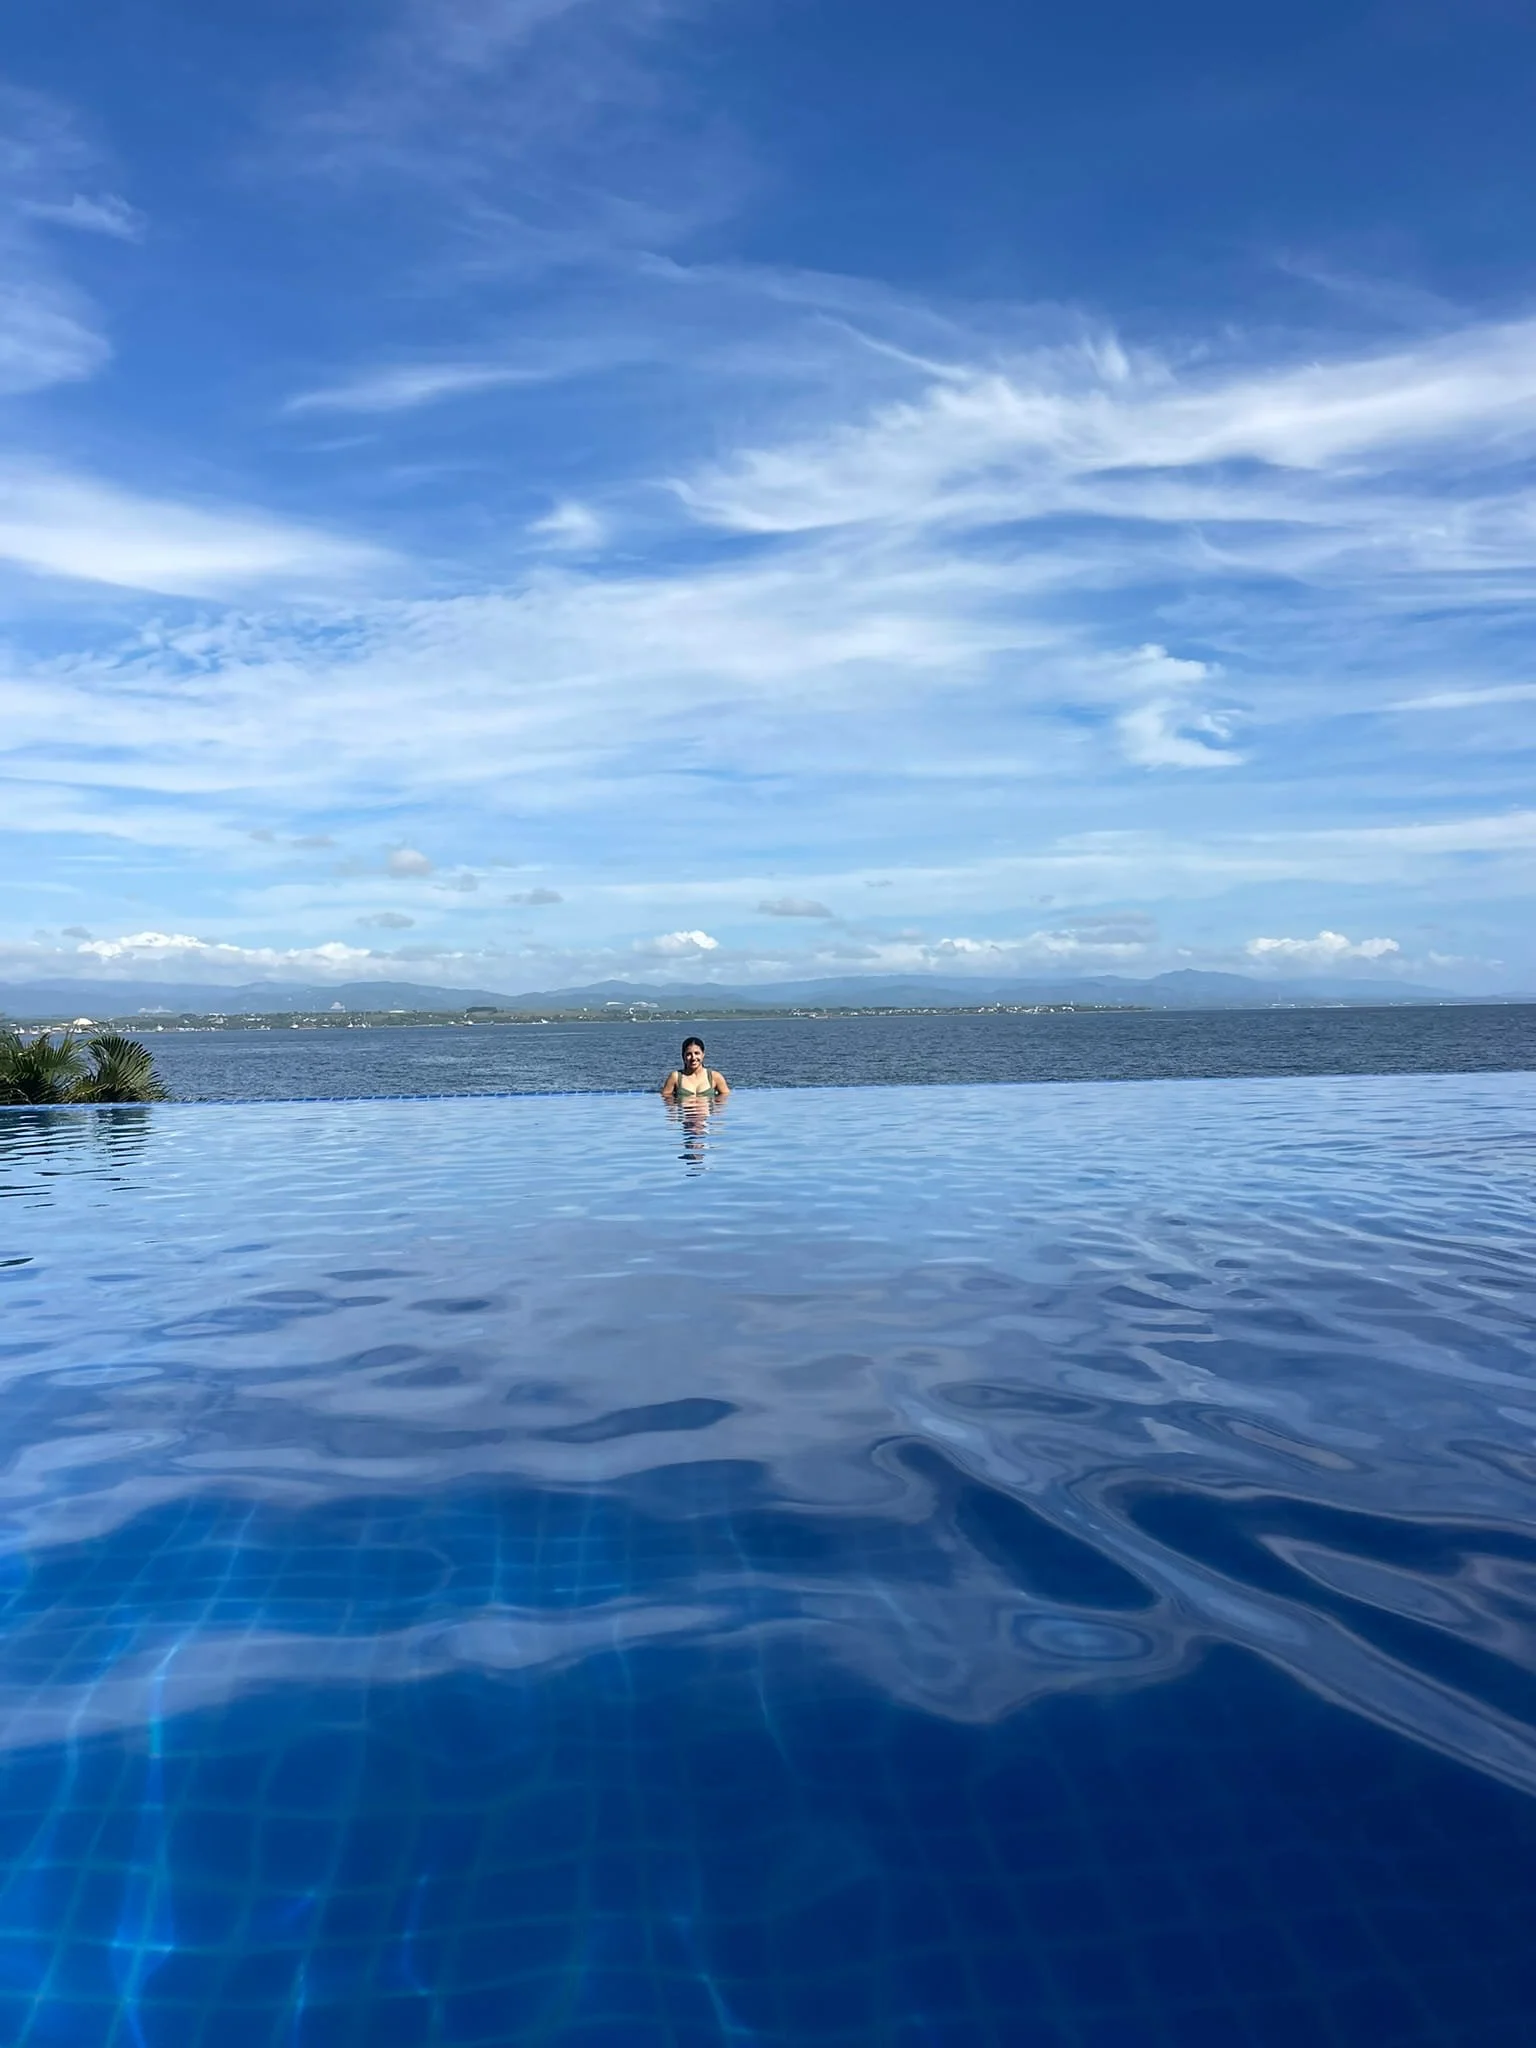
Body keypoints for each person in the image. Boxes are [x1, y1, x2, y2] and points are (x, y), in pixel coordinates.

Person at [660, 1036, 730, 1103]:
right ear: (683, 1056)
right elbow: (667, 1100)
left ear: (703, 1055)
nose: (693, 1058)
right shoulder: (675, 1077)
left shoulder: (715, 1077)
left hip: (705, 1114)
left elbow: (725, 1099)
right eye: (689, 1054)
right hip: (685, 1114)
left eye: (697, 1053)